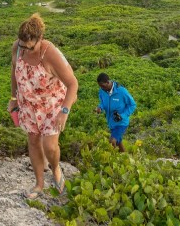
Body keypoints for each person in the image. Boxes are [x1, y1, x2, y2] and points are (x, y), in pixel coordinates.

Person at [8, 13, 78, 199]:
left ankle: (55, 168)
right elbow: (14, 73)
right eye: (22, 45)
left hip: (52, 105)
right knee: (32, 141)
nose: (25, 50)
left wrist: (65, 111)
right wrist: (13, 98)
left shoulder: (50, 54)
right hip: (28, 105)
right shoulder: (18, 47)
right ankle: (39, 184)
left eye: (30, 47)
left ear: (40, 39)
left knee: (50, 146)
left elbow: (73, 84)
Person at [95, 73, 136, 152]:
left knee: (112, 141)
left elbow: (132, 105)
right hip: (111, 123)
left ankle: (113, 160)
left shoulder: (122, 91)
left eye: (103, 86)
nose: (101, 88)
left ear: (108, 82)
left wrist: (122, 116)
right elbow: (103, 102)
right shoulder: (102, 91)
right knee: (118, 142)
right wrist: (100, 108)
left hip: (122, 123)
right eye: (100, 86)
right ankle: (125, 156)